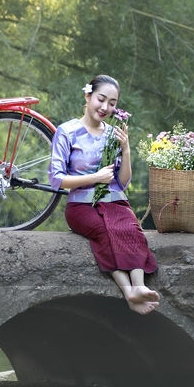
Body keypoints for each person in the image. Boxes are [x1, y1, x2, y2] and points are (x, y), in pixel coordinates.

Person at [49, 75, 161, 314]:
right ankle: (128, 292)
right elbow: (57, 179)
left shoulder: (113, 134)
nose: (106, 108)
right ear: (88, 96)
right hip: (81, 206)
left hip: (113, 200)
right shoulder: (67, 132)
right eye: (101, 99)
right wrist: (95, 178)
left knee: (130, 228)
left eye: (112, 103)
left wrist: (126, 149)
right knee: (104, 232)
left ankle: (138, 287)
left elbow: (122, 182)